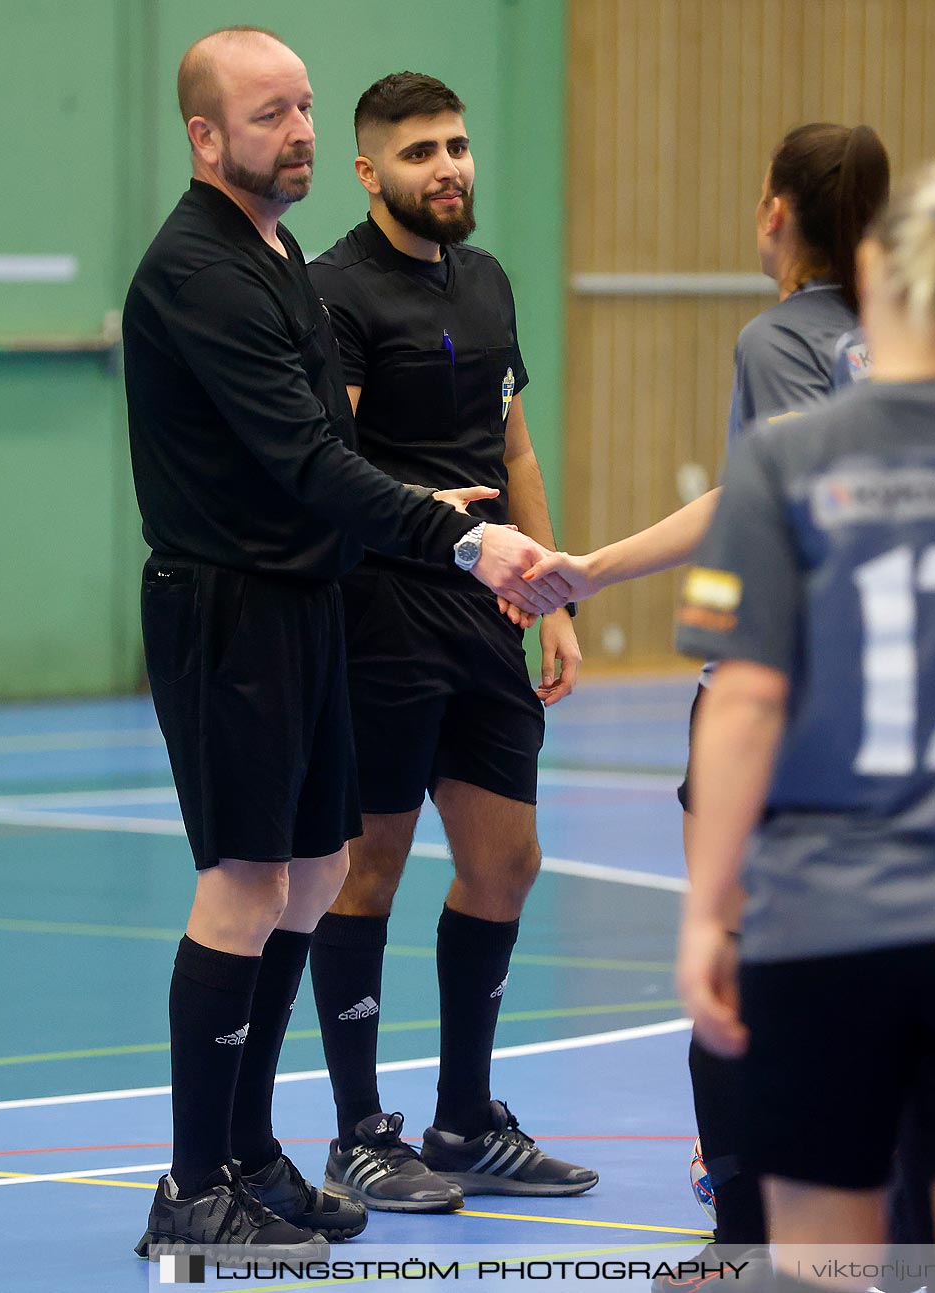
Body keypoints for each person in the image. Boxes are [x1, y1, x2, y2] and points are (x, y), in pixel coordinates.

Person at [122, 27, 558, 1256]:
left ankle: (252, 1153)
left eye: (305, 107)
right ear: (207, 137)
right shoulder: (199, 270)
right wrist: (455, 538)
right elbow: (311, 460)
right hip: (229, 610)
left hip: (307, 603)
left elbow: (336, 458)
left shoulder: (270, 256)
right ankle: (190, 1189)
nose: (299, 131)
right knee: (246, 883)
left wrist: (448, 523)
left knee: (311, 874)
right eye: (270, 115)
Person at [676, 157, 935, 1293]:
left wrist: (712, 912)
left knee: (823, 1268)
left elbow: (747, 701)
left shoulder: (785, 460)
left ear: (868, 268)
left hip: (828, 919)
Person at [531, 121, 890, 1258]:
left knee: (730, 960)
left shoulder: (777, 339)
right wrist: (591, 567)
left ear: (773, 211)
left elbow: (776, 512)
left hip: (781, 695)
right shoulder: (918, 341)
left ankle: (743, 1243)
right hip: (895, 705)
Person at [304, 71, 595, 1211]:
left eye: (459, 146)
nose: (450, 167)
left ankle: (466, 1120)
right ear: (370, 171)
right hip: (382, 614)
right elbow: (336, 466)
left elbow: (513, 447)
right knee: (365, 867)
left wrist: (555, 587)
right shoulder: (335, 295)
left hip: (491, 612)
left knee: (505, 863)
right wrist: (437, 529)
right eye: (420, 152)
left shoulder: (487, 281)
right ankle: (358, 1134)